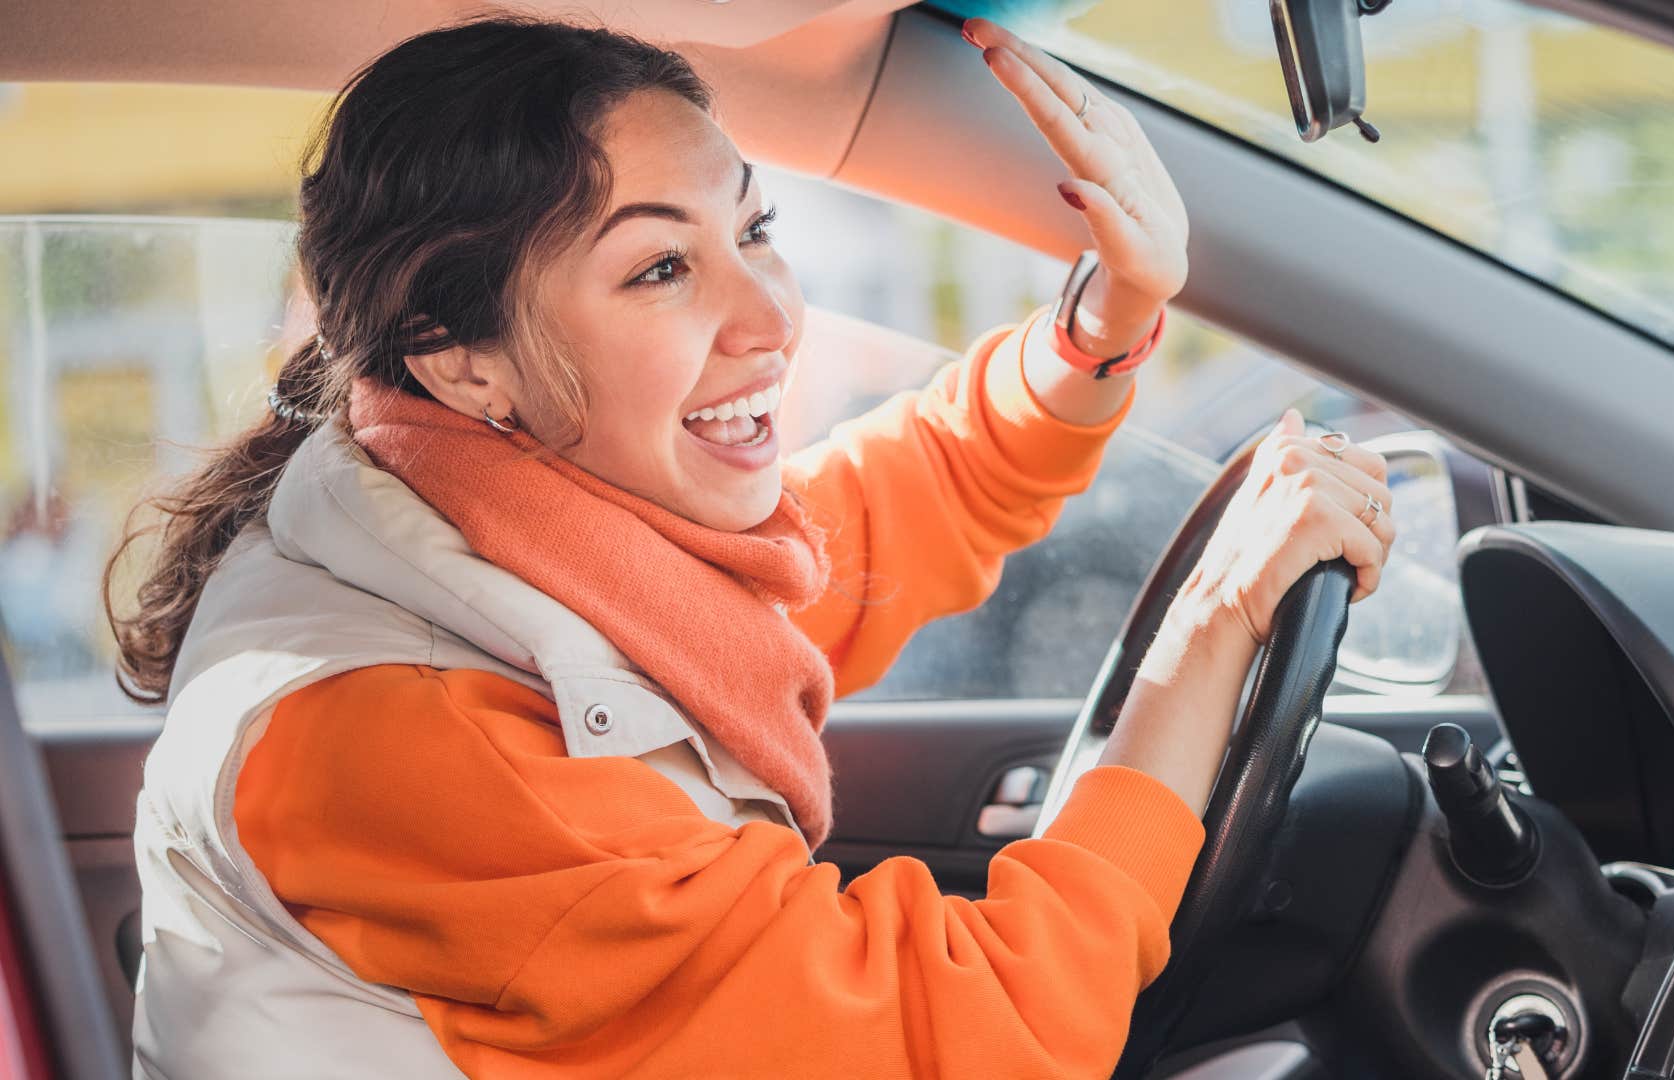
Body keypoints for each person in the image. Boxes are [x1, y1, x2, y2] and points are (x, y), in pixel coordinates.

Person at [106, 14, 1395, 1079]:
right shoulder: (413, 732)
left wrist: (1101, 323)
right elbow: (970, 1037)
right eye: (661, 269)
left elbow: (874, 523)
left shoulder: (502, 522)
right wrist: (1212, 632)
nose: (770, 315)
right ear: (462, 357)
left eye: (755, 229)